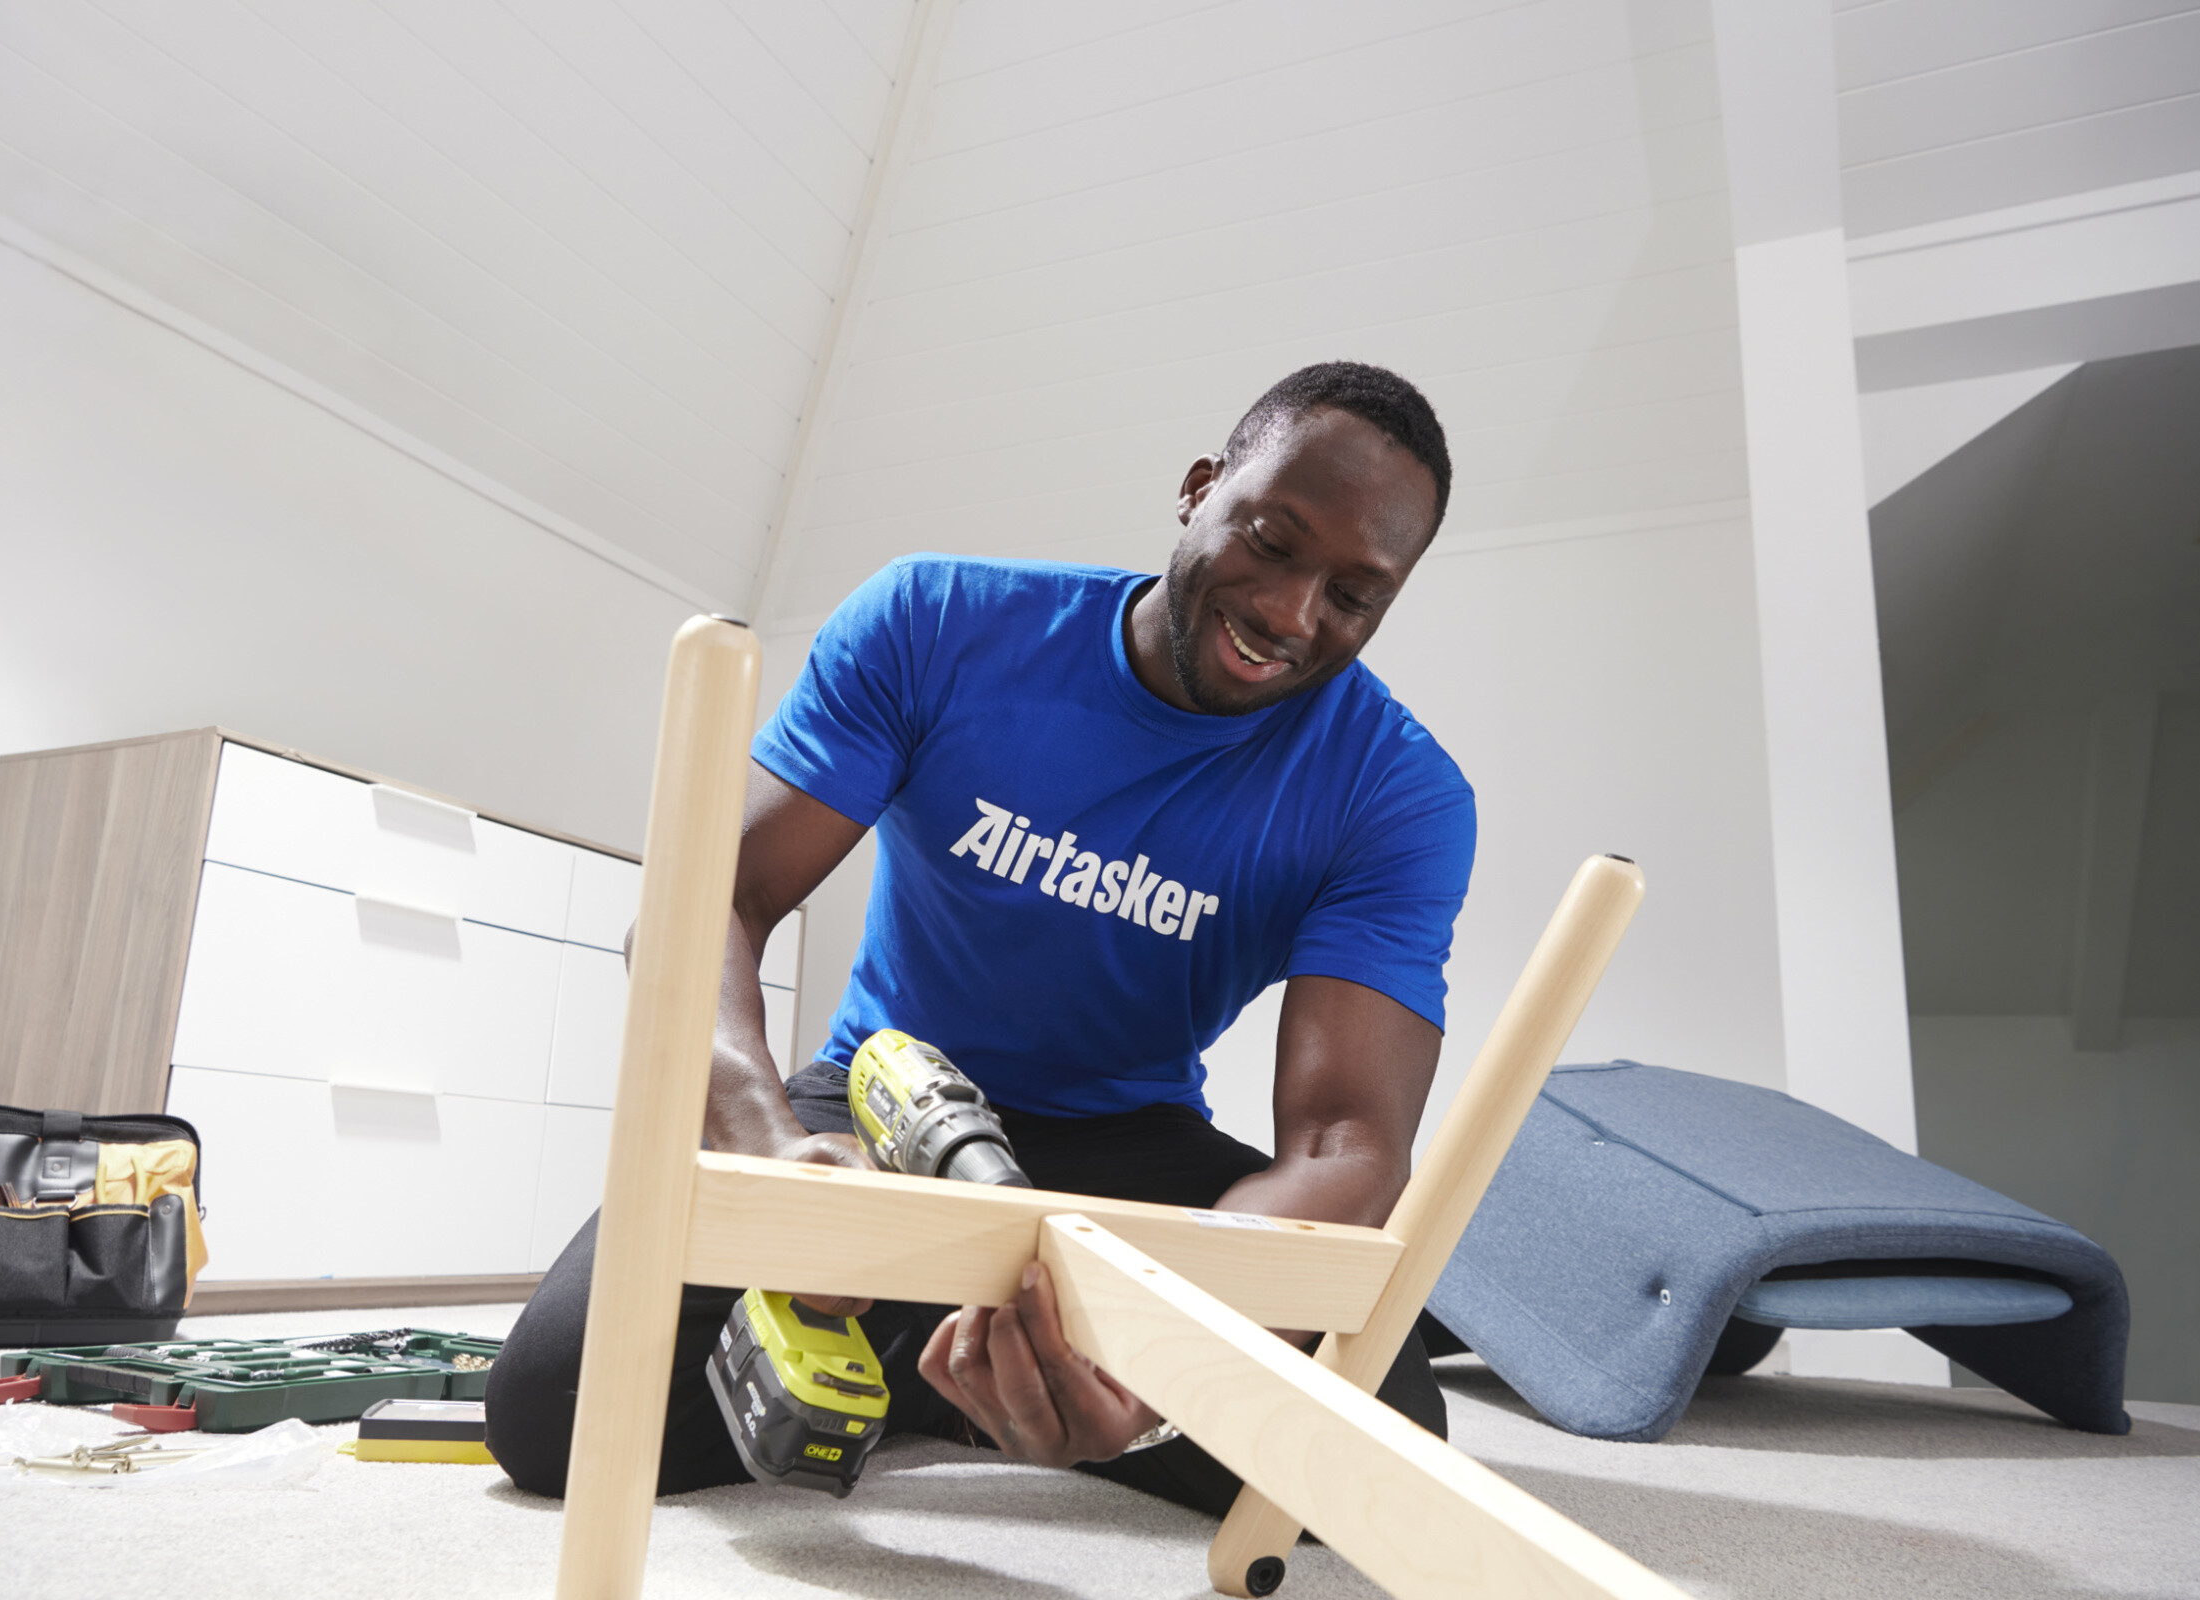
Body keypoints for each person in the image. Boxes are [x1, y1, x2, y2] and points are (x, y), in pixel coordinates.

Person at [486, 360, 1477, 1513]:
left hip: (1130, 1146)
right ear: (1200, 488)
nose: (1291, 612)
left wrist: (1151, 1344)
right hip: (881, 1102)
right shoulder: (937, 621)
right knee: (554, 1408)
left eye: (1354, 595)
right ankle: (953, 1359)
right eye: (1271, 538)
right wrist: (765, 1150)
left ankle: (961, 1365)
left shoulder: (1396, 792)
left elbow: (1350, 1141)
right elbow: (710, 897)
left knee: (1381, 1449)